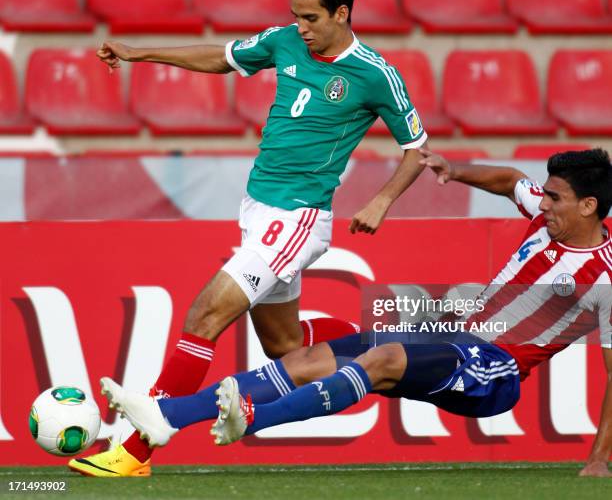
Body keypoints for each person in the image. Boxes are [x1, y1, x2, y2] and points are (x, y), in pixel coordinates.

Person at [69, 0, 427, 477]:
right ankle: (382, 347)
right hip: (258, 210)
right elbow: (221, 58)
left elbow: (416, 148)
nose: (300, 28)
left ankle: (137, 447)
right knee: (285, 348)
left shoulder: (376, 75)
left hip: (299, 218)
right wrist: (137, 51)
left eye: (310, 18)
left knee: (203, 318)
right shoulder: (285, 41)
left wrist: (380, 200)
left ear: (342, 13)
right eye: (296, 16)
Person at [97, 149, 611, 477]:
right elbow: (511, 181)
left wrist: (600, 458)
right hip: (451, 339)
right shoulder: (546, 219)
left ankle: (250, 418)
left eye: (554, 197)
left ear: (588, 206)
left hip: (494, 371)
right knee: (311, 358)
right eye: (544, 194)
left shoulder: (603, 278)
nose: (541, 203)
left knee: (384, 354)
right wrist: (456, 172)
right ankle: (166, 416)